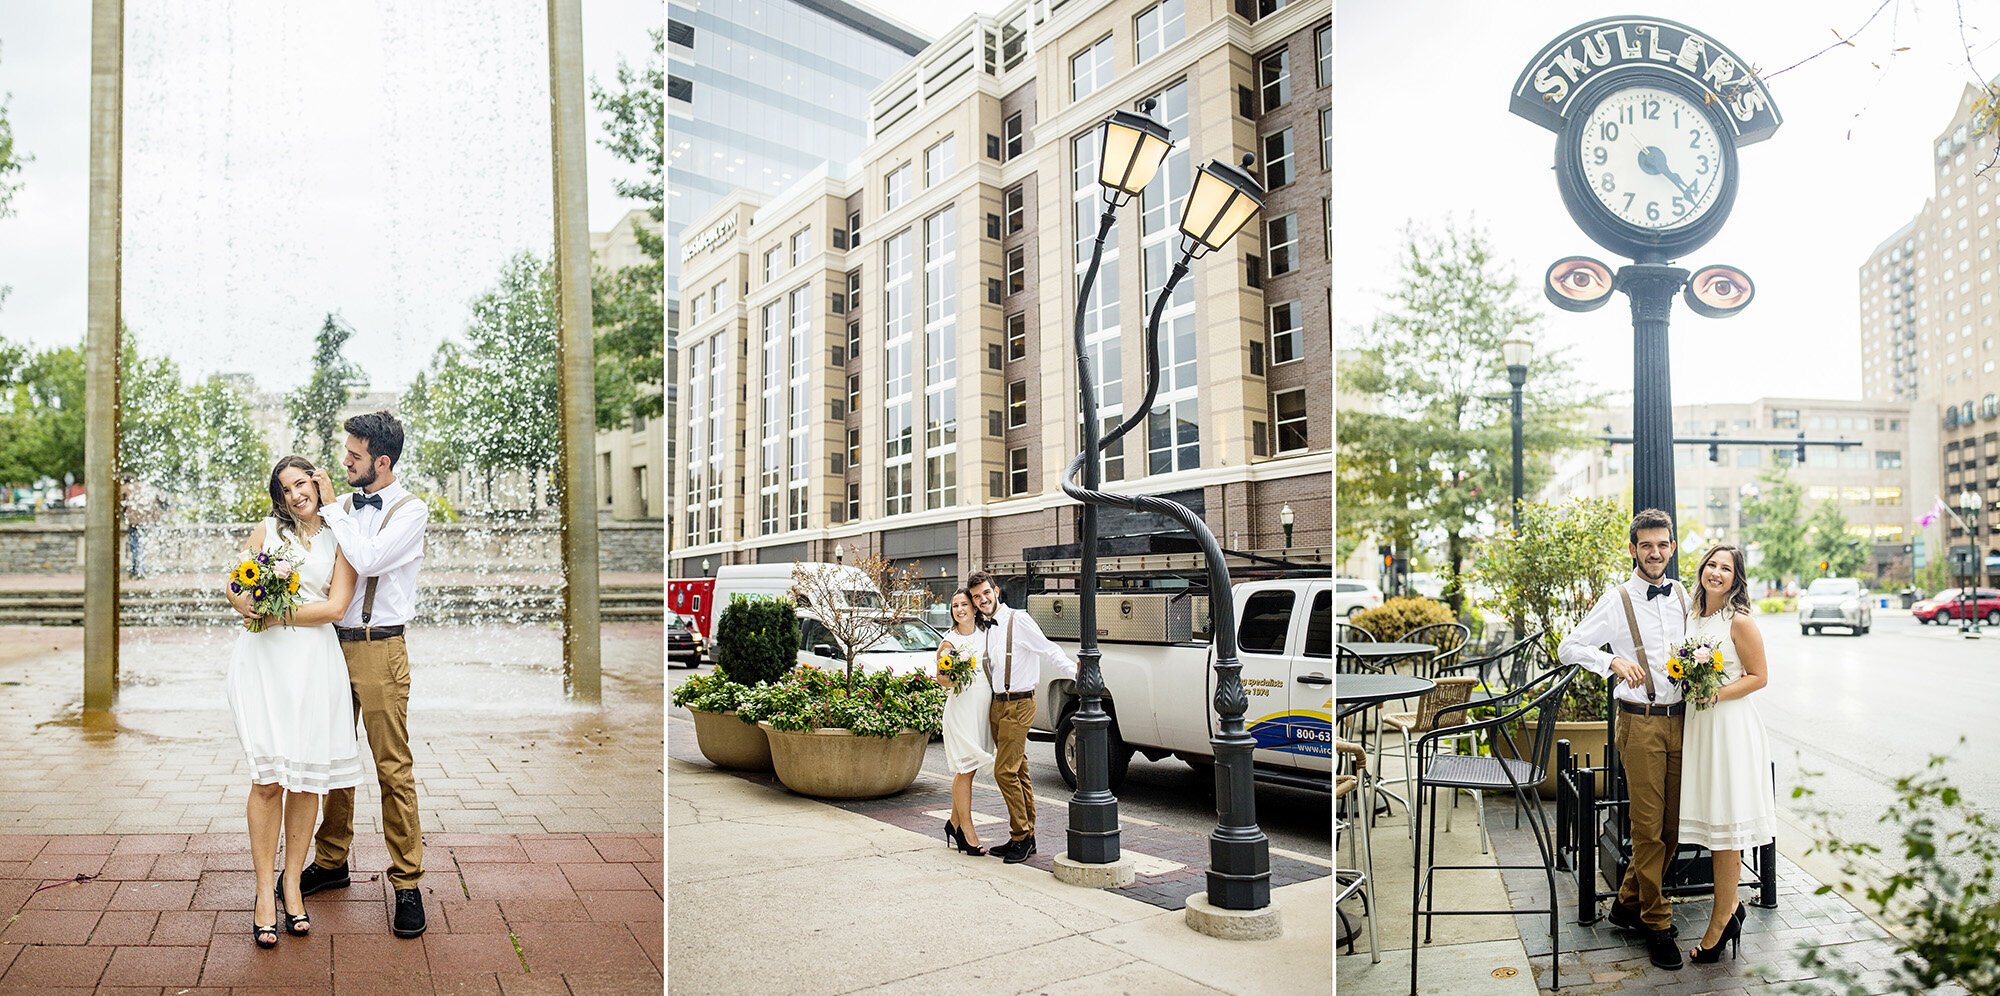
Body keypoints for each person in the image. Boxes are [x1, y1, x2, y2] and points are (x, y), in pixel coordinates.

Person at [296, 412, 432, 938]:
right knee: (334, 757)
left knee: (392, 767)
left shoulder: (409, 509)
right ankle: (331, 862)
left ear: (382, 461)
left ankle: (406, 882)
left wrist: (333, 508)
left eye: (354, 457)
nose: (344, 463)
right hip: (330, 645)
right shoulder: (343, 508)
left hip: (380, 647)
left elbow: (370, 558)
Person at [223, 456, 365, 949]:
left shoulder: (342, 534)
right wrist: (246, 602)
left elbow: (335, 607)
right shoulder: (267, 529)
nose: (294, 494)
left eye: (301, 483)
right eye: (284, 488)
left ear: (318, 482)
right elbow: (235, 585)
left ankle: (292, 886)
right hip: (263, 664)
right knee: (267, 781)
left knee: (305, 781)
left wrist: (275, 615)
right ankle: (264, 891)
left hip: (313, 663)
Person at [1556, 508, 1689, 971]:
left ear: (1672, 547)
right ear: (1633, 549)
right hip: (1641, 721)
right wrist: (1610, 662)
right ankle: (1655, 921)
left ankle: (1626, 902)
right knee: (1648, 828)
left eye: (1662, 544)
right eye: (1646, 545)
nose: (1655, 553)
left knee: (1673, 827)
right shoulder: (1617, 600)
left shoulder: (1683, 596)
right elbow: (1568, 646)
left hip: (1683, 719)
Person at [1678, 544, 1775, 964]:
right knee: (1717, 826)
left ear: (1736, 579)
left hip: (1730, 729)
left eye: (1726, 568)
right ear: (1702, 570)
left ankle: (1721, 919)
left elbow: (1759, 677)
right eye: (1712, 565)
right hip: (1701, 728)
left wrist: (1714, 693)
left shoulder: (1740, 622)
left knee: (1728, 827)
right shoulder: (1693, 616)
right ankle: (1730, 907)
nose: (1716, 573)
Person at [966, 571, 1076, 864]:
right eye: (977, 597)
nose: (982, 599)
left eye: (985, 593)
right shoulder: (986, 629)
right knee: (1019, 770)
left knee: (1004, 772)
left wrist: (1076, 673)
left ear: (996, 591)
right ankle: (1027, 836)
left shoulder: (1019, 619)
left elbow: (1049, 649)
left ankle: (1020, 836)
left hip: (1019, 703)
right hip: (998, 705)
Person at [936, 588, 995, 856]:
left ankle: (953, 822)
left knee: (966, 769)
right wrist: (951, 670)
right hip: (961, 711)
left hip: (982, 711)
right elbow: (942, 680)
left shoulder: (987, 633)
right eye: (954, 605)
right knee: (966, 769)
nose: (959, 609)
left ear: (973, 607)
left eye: (963, 604)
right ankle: (966, 832)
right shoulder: (948, 643)